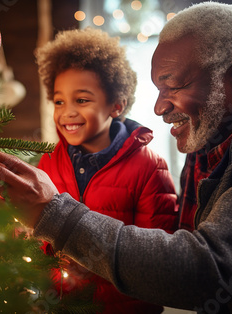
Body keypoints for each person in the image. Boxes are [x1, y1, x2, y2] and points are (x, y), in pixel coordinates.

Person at [0, 2, 232, 313]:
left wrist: (52, 214)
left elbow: (204, 271)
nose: (159, 108)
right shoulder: (209, 142)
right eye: (58, 100)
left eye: (172, 85)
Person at [33, 27, 177, 313]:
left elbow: (156, 259)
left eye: (82, 100)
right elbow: (38, 237)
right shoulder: (48, 162)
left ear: (116, 105)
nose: (67, 112)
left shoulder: (150, 167)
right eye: (59, 101)